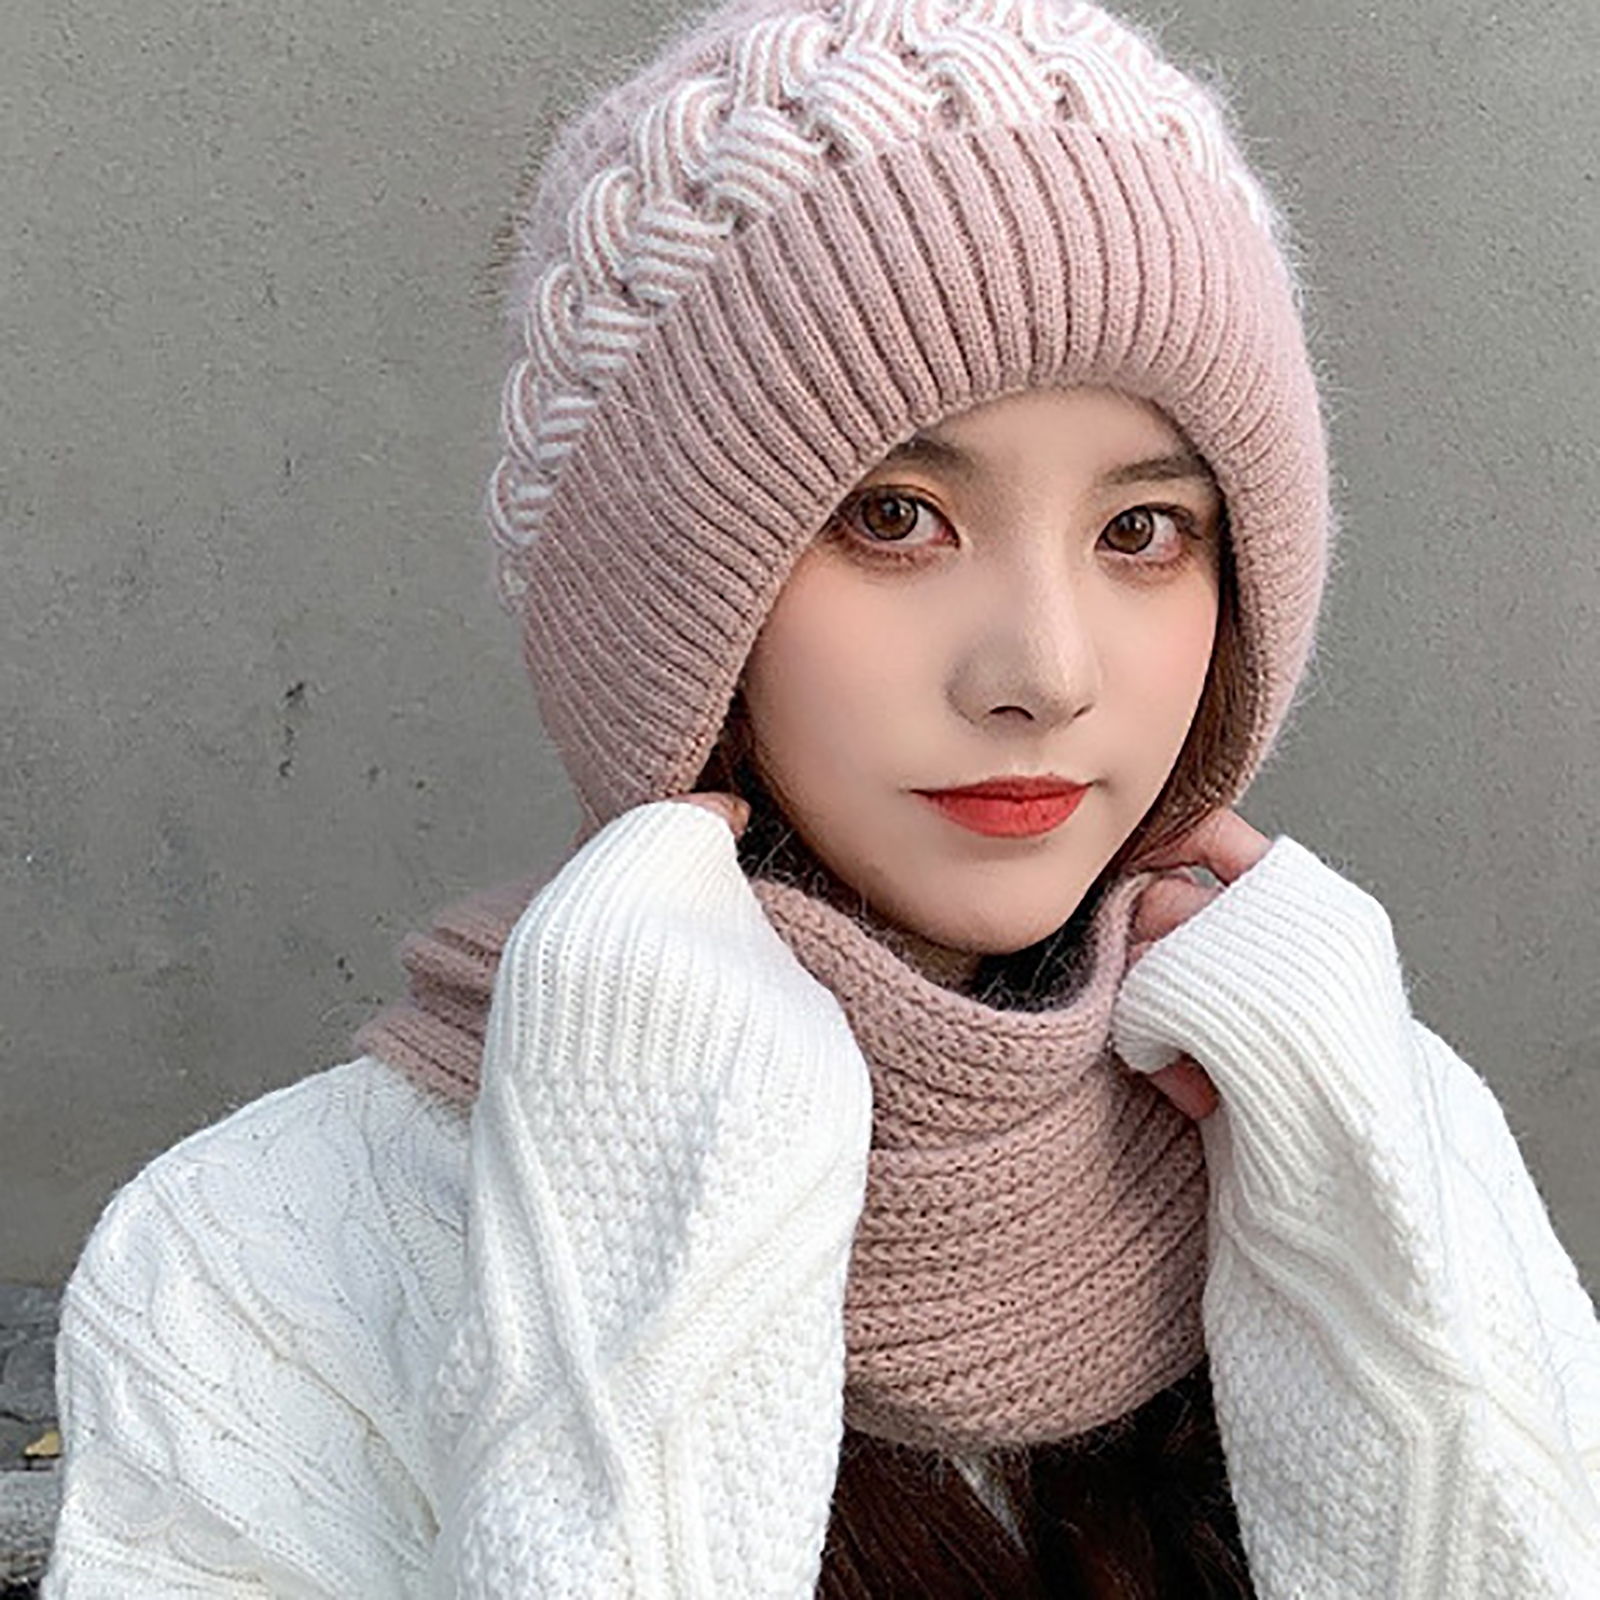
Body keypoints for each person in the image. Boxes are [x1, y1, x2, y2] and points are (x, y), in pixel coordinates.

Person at [42, 0, 1600, 1594]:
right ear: (666, 594)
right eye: (894, 516)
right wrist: (644, 1322)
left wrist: (1378, 1272)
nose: (1044, 672)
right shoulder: (265, 1264)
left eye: (1142, 532)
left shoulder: (1374, 1126)